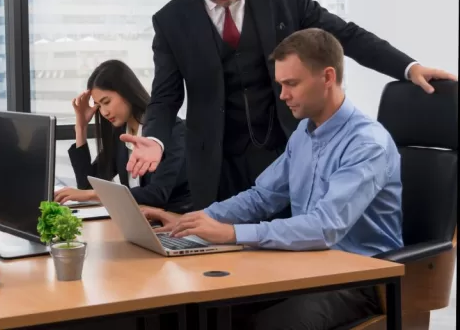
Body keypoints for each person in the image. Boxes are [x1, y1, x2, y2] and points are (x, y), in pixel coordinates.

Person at [122, 0, 457, 211]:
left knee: (289, 248)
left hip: (286, 149)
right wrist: (157, 141)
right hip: (217, 162)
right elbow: (165, 97)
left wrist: (408, 67)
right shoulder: (171, 20)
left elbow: (344, 34)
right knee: (225, 257)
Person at [144, 29, 403, 330]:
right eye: (280, 85)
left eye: (291, 84)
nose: (282, 95)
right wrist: (197, 220)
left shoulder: (366, 144)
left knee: (264, 323)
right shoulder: (304, 134)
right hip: (305, 265)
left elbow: (324, 227)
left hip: (358, 280)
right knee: (202, 307)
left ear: (328, 77)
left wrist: (232, 234)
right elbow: (262, 196)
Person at [54, 60, 192, 214]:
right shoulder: (121, 133)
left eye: (106, 102)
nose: (104, 112)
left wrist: (92, 195)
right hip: (142, 221)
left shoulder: (170, 130)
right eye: (99, 106)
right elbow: (87, 187)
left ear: (127, 92)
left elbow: (157, 195)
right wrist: (81, 127)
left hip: (176, 223)